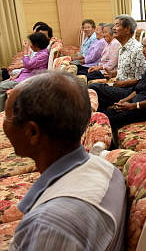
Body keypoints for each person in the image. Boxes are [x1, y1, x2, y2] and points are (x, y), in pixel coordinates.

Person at [4, 72, 126, 251]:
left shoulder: (50, 226)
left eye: (6, 117)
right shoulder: (105, 166)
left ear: (32, 132)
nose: (3, 125)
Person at [98, 34, 146, 131]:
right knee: (102, 117)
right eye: (143, 46)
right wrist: (125, 100)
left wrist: (132, 106)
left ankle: (105, 144)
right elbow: (139, 88)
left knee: (108, 122)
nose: (143, 51)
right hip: (136, 104)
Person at [89, 14, 146, 96]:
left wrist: (122, 84)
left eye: (117, 25)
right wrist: (112, 74)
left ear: (127, 29)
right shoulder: (122, 46)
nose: (113, 28)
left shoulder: (137, 49)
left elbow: (143, 78)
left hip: (130, 90)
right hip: (120, 86)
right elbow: (126, 70)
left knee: (93, 87)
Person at [0, 32, 50, 112]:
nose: (29, 45)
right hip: (25, 77)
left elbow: (28, 64)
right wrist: (17, 75)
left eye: (31, 43)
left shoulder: (43, 55)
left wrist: (25, 50)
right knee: (3, 84)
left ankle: (2, 111)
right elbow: (28, 68)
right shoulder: (40, 53)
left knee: (1, 86)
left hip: (30, 80)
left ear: (36, 44)